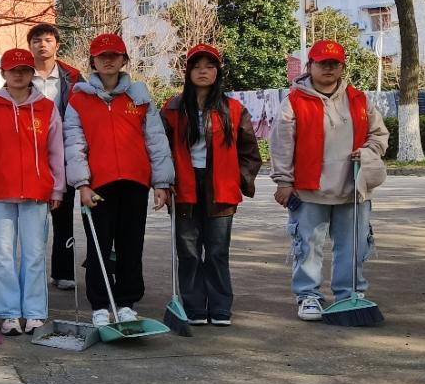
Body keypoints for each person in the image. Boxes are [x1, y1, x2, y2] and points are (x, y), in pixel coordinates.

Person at [270, 40, 388, 321]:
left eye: (334, 64)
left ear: (342, 67)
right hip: (308, 189)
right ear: (310, 65)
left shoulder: (359, 100)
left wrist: (368, 151)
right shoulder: (294, 102)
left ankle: (350, 295)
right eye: (322, 63)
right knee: (308, 246)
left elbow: (379, 135)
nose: (328, 69)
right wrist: (283, 182)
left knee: (354, 246)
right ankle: (308, 295)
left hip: (353, 188)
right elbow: (281, 145)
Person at [64, 33, 174, 326]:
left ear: (124, 59)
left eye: (114, 55)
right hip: (98, 186)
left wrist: (161, 183)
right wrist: (82, 184)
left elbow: (156, 140)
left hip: (135, 183)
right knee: (98, 245)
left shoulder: (139, 97)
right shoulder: (79, 100)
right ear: (93, 62)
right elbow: (74, 145)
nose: (109, 60)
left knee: (131, 245)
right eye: (102, 56)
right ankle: (101, 305)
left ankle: (126, 302)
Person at [161, 44, 262, 326]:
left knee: (217, 251)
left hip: (220, 188)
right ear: (187, 72)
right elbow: (159, 149)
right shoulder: (172, 108)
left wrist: (237, 179)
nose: (203, 71)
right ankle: (193, 307)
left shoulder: (233, 109)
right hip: (184, 186)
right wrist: (164, 180)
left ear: (218, 71)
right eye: (196, 66)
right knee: (189, 252)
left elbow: (250, 152)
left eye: (209, 66)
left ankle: (220, 307)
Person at [0, 48, 64, 336]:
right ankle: (9, 313)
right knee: (2, 256)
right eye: (13, 70)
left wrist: (58, 188)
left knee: (34, 254)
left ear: (31, 73)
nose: (19, 74)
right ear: (3, 73)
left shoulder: (47, 108)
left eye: (24, 69)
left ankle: (34, 312)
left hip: (37, 192)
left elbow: (56, 151)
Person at [27, 22, 82, 290]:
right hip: (32, 153)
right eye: (37, 40)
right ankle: (33, 271)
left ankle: (63, 271)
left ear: (57, 45)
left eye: (48, 40)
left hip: (65, 151)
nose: (42, 45)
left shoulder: (72, 77)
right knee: (34, 217)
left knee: (63, 214)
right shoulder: (22, 74)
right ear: (30, 46)